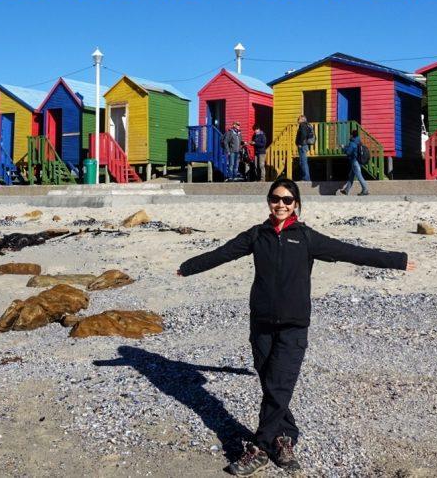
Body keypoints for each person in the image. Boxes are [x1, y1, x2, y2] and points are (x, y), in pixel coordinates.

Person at [177, 178, 414, 475]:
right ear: (268, 201)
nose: (281, 204)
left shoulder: (306, 238)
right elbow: (223, 253)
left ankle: (260, 448)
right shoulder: (257, 235)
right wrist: (188, 267)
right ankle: (285, 439)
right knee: (272, 386)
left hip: (294, 326)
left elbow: (349, 252)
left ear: (296, 205)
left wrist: (398, 261)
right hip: (261, 324)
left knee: (279, 385)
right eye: (276, 199)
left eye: (287, 200)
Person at [339, 129, 369, 196]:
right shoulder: (358, 141)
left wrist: (343, 148)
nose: (349, 135)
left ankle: (365, 189)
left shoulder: (352, 143)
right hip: (358, 161)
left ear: (352, 135)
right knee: (351, 176)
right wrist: (345, 146)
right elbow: (352, 148)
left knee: (359, 176)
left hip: (355, 162)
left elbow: (348, 152)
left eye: (350, 134)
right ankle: (346, 190)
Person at [294, 115, 314, 182]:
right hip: (305, 145)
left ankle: (306, 178)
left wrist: (300, 143)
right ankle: (306, 177)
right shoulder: (307, 125)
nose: (297, 120)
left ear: (302, 119)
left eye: (298, 119)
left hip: (302, 145)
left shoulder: (302, 125)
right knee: (303, 162)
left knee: (303, 162)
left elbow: (303, 134)